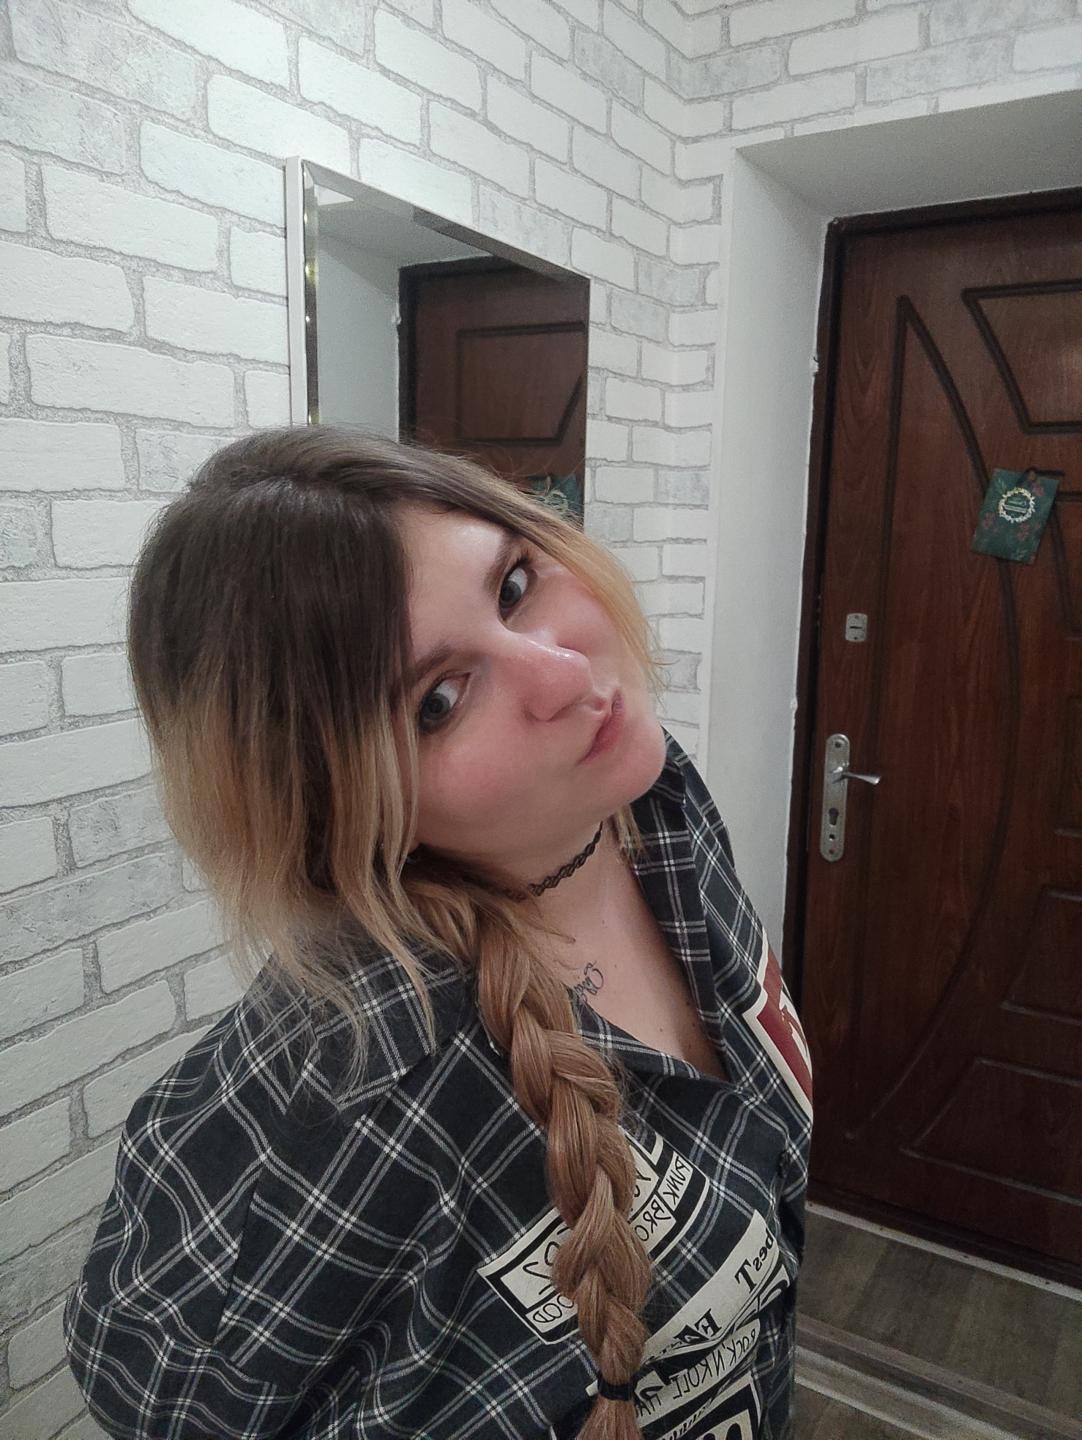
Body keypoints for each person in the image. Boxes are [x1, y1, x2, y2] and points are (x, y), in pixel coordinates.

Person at [64, 427, 813, 1440]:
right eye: (440, 702)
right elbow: (155, 1374)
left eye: (514, 586)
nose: (561, 672)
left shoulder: (652, 802)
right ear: (333, 803)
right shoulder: (376, 1074)